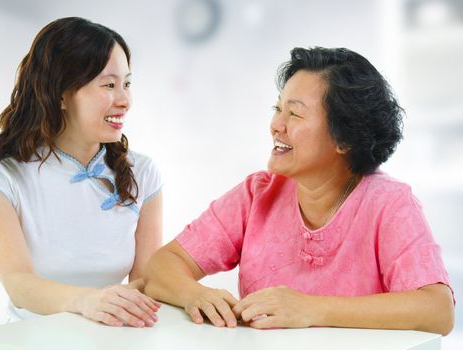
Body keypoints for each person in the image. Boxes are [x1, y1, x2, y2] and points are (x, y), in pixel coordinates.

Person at [144, 47, 455, 335]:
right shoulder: (257, 194)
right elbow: (162, 266)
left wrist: (309, 308)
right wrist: (196, 294)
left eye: (294, 113)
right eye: (277, 108)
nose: (276, 125)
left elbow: (437, 310)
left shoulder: (389, 203)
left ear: (344, 138)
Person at [0, 17, 162, 328]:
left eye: (127, 84)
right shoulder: (0, 178)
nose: (125, 100)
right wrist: (86, 301)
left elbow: (146, 282)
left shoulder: (143, 173)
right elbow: (18, 284)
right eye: (109, 85)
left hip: (114, 338)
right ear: (61, 94)